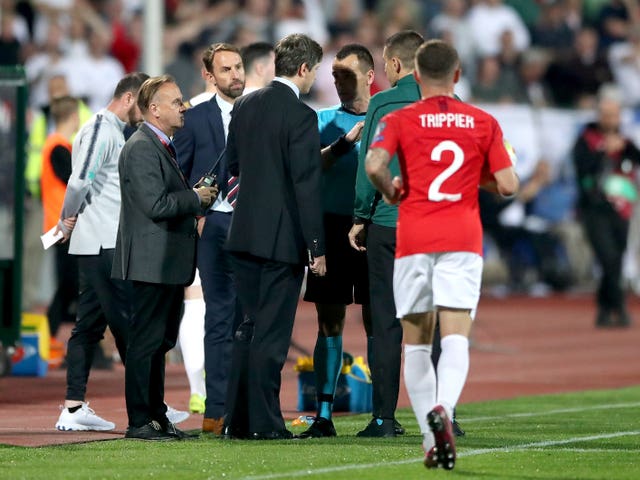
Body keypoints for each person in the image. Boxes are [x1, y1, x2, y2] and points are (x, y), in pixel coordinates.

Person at [365, 39, 519, 470]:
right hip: (461, 239)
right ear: (456, 76)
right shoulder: (482, 121)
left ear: (415, 75)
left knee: (414, 345)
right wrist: (477, 179)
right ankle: (445, 408)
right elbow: (508, 184)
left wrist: (391, 191)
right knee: (454, 338)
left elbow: (375, 165)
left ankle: (431, 440)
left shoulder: (400, 117)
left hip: (414, 238)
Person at [223, 33, 326, 440]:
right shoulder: (301, 117)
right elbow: (306, 185)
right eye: (315, 70)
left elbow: (232, 164)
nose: (314, 77)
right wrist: (317, 247)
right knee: (271, 334)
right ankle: (266, 424)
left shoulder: (245, 104)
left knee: (246, 329)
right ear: (303, 69)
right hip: (281, 242)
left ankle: (238, 420)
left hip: (242, 234)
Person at [112, 75, 218, 441]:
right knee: (147, 342)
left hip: (165, 262)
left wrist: (192, 196)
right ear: (153, 109)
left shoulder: (160, 145)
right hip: (151, 262)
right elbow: (155, 205)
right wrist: (196, 198)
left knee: (159, 342)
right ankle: (140, 420)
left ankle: (156, 417)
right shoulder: (142, 146)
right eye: (176, 102)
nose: (183, 106)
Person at [53, 73, 151, 431]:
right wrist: (66, 219)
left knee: (88, 327)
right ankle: (148, 407)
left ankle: (74, 408)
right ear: (128, 98)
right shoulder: (100, 128)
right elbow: (80, 180)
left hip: (101, 242)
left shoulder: (112, 130)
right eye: (145, 103)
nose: (148, 111)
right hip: (103, 243)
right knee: (131, 325)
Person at [348, 30, 424, 438]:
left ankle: (383, 418)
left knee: (385, 322)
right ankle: (442, 414)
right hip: (436, 230)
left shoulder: (383, 101)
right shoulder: (450, 104)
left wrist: (360, 215)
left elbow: (369, 165)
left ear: (394, 64)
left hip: (390, 225)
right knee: (433, 321)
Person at [298, 43, 374, 439]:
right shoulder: (323, 119)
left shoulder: (389, 118)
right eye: (336, 76)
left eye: (348, 75)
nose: (340, 83)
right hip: (330, 225)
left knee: (378, 317)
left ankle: (383, 414)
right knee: (329, 319)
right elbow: (310, 166)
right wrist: (345, 143)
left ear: (370, 76)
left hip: (374, 225)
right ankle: (324, 415)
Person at [173, 42, 246, 433]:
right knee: (219, 318)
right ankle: (216, 411)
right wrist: (196, 213)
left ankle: (246, 407)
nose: (235, 75)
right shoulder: (195, 118)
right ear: (209, 75)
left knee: (249, 319)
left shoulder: (257, 112)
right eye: (226, 69)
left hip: (252, 227)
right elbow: (180, 175)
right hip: (215, 227)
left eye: (238, 67)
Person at [573, 91, 640, 328]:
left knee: (617, 258)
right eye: (606, 115)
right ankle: (619, 307)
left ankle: (603, 308)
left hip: (620, 209)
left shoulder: (626, 142)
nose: (610, 120)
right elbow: (582, 170)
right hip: (594, 209)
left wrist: (623, 147)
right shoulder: (586, 140)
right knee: (608, 257)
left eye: (614, 115)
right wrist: (603, 152)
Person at [40, 95, 80, 349]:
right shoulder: (57, 148)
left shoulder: (57, 146)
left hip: (59, 226)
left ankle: (49, 335)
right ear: (73, 116)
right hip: (61, 227)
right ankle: (49, 335)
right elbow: (73, 182)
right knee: (70, 284)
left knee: (67, 285)